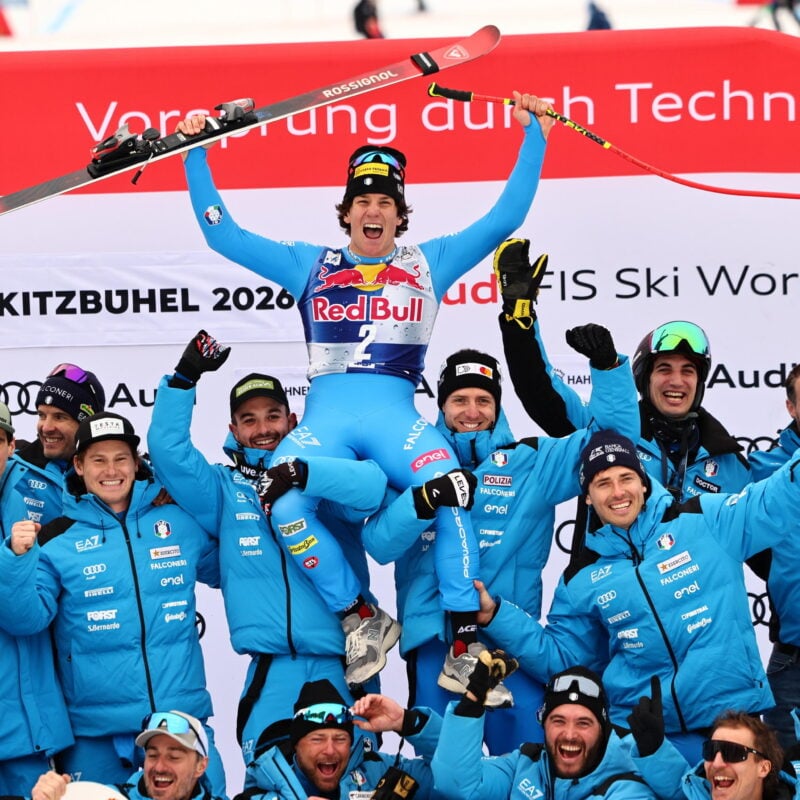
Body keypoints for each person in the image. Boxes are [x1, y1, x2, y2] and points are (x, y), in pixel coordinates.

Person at [175, 92, 555, 692]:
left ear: (401, 216)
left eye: (385, 202)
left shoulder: (430, 260)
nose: (373, 211)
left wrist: (534, 134)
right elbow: (224, 235)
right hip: (326, 419)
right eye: (362, 202)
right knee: (281, 496)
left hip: (395, 418)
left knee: (451, 487)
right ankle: (361, 617)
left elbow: (505, 218)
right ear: (345, 212)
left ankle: (461, 641)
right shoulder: (311, 263)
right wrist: (195, 154)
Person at [362, 338, 640, 753]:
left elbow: (611, 445)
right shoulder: (409, 465)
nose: (472, 412)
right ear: (441, 407)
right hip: (437, 648)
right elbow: (379, 543)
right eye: (459, 400)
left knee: (526, 766)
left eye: (483, 400)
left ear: (497, 407)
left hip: (511, 645)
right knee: (444, 773)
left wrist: (607, 369)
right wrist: (423, 499)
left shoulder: (531, 461)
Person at [147, 331, 403, 765]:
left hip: (343, 664)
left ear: (293, 418)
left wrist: (306, 474)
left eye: (272, 415)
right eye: (249, 419)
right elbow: (167, 453)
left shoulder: (321, 474)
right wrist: (184, 378)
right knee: (267, 780)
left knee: (356, 780)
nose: (263, 428)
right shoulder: (223, 491)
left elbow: (374, 486)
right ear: (232, 430)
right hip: (271, 668)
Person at [473, 429, 800, 764]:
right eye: (602, 483)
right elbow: (563, 659)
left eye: (626, 478)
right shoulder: (581, 578)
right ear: (587, 497)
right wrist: (496, 616)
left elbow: (778, 499)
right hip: (641, 738)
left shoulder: (706, 519)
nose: (618, 493)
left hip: (726, 728)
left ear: (643, 483)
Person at [0, 412, 225, 794]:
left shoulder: (178, 519)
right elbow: (26, 620)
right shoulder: (57, 537)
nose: (111, 470)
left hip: (179, 723)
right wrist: (14, 560)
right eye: (98, 460)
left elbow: (233, 573)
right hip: (96, 736)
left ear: (136, 464)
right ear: (78, 464)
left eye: (120, 458)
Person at [494, 240, 751, 559]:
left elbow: (767, 553)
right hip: (615, 601)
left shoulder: (730, 463)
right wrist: (520, 318)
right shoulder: (604, 432)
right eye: (664, 369)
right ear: (644, 378)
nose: (676, 381)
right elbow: (541, 393)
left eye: (688, 371)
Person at [432, 664, 657, 800]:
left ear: (604, 731)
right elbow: (458, 785)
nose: (570, 734)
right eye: (558, 721)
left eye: (583, 723)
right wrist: (471, 705)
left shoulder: (628, 784)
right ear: (543, 723)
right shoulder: (524, 764)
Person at [0, 403, 73, 796]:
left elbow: (29, 618)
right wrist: (10, 556)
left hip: (27, 735)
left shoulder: (40, 502)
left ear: (11, 445)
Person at [236, 679, 438, 800]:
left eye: (340, 739)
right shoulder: (265, 784)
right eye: (317, 739)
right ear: (296, 744)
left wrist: (407, 721)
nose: (330, 750)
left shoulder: (378, 770)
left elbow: (458, 777)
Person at [747, 363, 800, 749]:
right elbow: (744, 541)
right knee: (785, 780)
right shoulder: (766, 471)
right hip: (794, 660)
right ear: (791, 407)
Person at [628, 682, 796, 800]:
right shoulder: (697, 792)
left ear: (763, 768)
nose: (716, 763)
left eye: (733, 753)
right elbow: (680, 790)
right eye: (710, 751)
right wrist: (653, 749)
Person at [31, 710, 223, 800]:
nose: (160, 766)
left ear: (201, 766)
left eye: (174, 757)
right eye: (152, 755)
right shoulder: (104, 797)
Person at [8, 363, 105, 526]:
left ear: (85, 424)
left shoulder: (116, 472)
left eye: (60, 417)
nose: (46, 427)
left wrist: (160, 492)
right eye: (41, 415)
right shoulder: (11, 466)